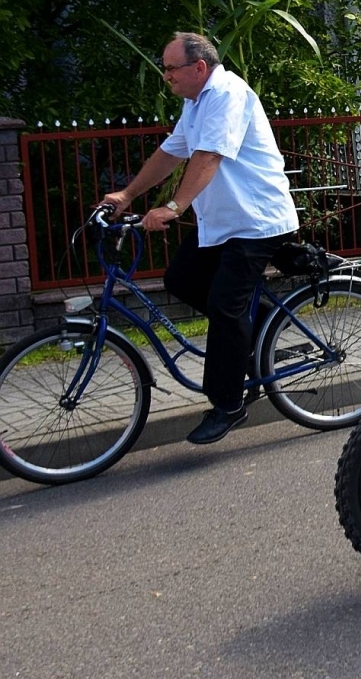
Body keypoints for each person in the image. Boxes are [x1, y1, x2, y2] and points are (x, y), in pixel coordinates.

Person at [100, 32, 299, 444]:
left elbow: (209, 156)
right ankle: (262, 334)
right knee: (182, 280)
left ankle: (229, 404)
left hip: (256, 221)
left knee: (226, 306)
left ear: (199, 67)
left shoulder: (226, 94)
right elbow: (170, 153)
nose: (166, 76)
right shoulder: (195, 103)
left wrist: (174, 207)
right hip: (224, 224)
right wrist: (127, 195)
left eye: (171, 68)